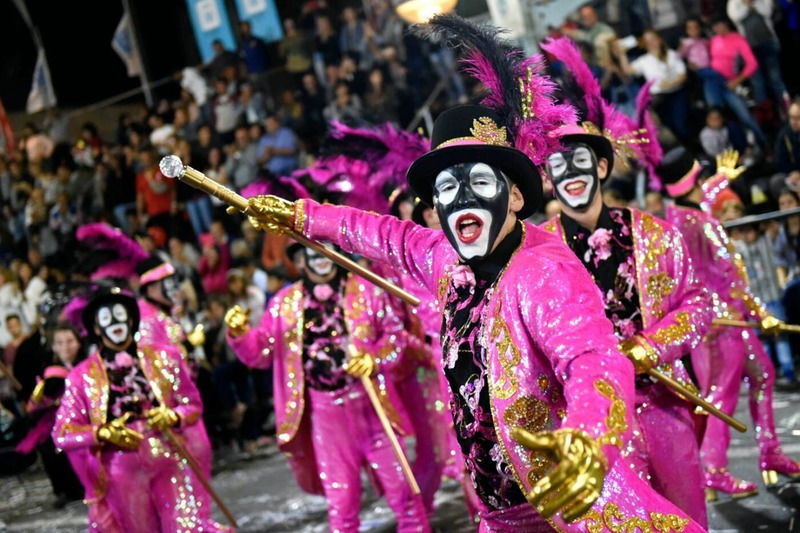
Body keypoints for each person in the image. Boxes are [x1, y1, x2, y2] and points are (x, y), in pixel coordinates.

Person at [539, 36, 712, 526]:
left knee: (687, 518)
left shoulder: (654, 234)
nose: (568, 172)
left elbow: (697, 304)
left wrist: (649, 348)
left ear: (599, 165)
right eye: (556, 165)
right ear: (547, 180)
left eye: (578, 160)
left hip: (664, 406)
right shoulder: (538, 256)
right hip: (592, 422)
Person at [225, 242, 429, 532]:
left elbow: (394, 338)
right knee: (342, 503)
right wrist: (239, 334)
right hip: (327, 419)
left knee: (404, 491)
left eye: (327, 251)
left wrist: (373, 359)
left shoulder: (366, 289)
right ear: (301, 260)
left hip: (373, 406)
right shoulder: (285, 303)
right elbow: (260, 353)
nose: (321, 259)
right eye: (313, 252)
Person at [659, 146, 800, 498]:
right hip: (722, 324)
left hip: (718, 321)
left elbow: (700, 199)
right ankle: (715, 471)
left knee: (763, 375)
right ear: (692, 180)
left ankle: (770, 453)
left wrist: (723, 179)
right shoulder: (703, 225)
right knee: (721, 396)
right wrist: (761, 312)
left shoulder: (679, 214)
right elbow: (731, 276)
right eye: (701, 175)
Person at [53, 287, 229, 532]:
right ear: (96, 328)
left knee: (185, 527)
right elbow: (62, 433)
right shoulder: (81, 377)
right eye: (106, 318)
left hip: (169, 459)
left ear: (132, 319)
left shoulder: (164, 358)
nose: (115, 322)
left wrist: (173, 415)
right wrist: (102, 433)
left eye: (119, 314)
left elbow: (192, 404)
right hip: (121, 471)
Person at [16, 322, 85, 508]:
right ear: (54, 346)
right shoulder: (50, 370)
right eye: (60, 342)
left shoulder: (88, 365)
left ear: (78, 342)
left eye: (70, 341)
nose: (65, 347)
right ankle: (62, 490)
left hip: (84, 418)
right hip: (54, 420)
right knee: (51, 449)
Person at [616, 29, 690, 139]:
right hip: (658, 99)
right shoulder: (644, 60)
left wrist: (670, 83)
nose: (651, 43)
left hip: (676, 94)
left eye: (652, 39)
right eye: (647, 41)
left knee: (681, 124)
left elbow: (683, 75)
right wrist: (622, 54)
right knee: (669, 126)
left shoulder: (671, 54)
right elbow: (628, 70)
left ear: (659, 39)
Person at [727, 0, 791, 110]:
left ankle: (787, 109)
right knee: (757, 82)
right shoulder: (734, 2)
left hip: (768, 42)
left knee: (775, 78)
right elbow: (735, 16)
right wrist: (746, 4)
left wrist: (753, 3)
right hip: (749, 48)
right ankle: (764, 113)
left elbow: (767, 12)